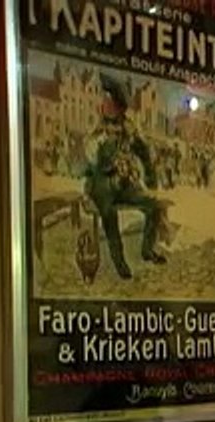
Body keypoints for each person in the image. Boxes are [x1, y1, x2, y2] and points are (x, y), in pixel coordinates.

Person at [84, 75, 167, 280]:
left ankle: (147, 250)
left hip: (124, 185)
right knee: (109, 214)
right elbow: (92, 159)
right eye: (105, 102)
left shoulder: (128, 128)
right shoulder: (98, 130)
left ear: (119, 107)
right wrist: (112, 162)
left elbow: (143, 150)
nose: (105, 106)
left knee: (153, 207)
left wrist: (149, 176)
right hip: (102, 185)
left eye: (110, 103)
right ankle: (119, 262)